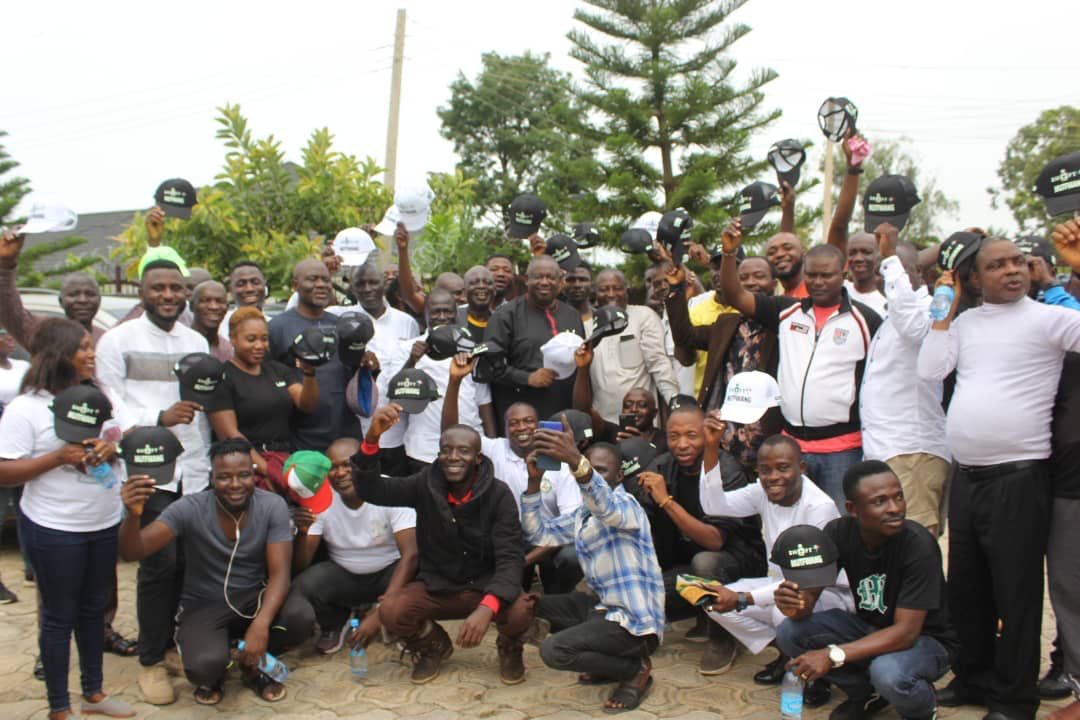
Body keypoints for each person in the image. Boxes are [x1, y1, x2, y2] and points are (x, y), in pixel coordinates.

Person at [917, 237, 1080, 720]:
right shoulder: (965, 324)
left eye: (1018, 262)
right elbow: (929, 369)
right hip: (968, 478)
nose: (1012, 271)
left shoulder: (1049, 320)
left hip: (1020, 477)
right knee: (968, 590)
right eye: (997, 265)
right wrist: (942, 312)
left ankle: (1013, 700)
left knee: (1017, 594)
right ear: (974, 278)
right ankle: (974, 680)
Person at [0, 319, 134, 720]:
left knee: (95, 611)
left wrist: (111, 450)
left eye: (92, 346)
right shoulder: (28, 408)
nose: (92, 354)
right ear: (59, 355)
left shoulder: (102, 395)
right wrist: (58, 457)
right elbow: (4, 470)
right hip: (54, 529)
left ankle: (93, 693)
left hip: (103, 521)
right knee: (59, 617)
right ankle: (59, 706)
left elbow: (123, 435)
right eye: (83, 347)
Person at [94, 258, 212, 704]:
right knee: (157, 566)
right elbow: (110, 404)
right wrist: (156, 419)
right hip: (149, 470)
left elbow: (205, 403)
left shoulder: (196, 340)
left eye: (176, 287)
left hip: (194, 469)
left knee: (186, 565)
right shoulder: (117, 340)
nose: (168, 295)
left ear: (185, 293)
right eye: (158, 287)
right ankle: (150, 660)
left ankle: (171, 645)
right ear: (143, 292)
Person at [118, 438, 314, 705]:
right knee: (204, 668)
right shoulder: (189, 508)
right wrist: (132, 515)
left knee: (300, 618)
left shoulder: (272, 506)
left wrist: (261, 625)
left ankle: (252, 664)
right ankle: (226, 660)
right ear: (212, 477)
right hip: (205, 605)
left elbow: (280, 574)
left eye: (244, 475)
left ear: (253, 474)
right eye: (224, 477)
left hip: (253, 600)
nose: (235, 484)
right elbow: (133, 552)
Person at [351, 404, 534, 685]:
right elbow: (372, 489)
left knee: (521, 609)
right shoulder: (425, 483)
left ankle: (509, 647)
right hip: (438, 586)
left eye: (463, 451)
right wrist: (372, 439)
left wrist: (488, 608)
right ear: (438, 454)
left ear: (477, 457)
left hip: (485, 586)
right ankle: (432, 646)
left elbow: (511, 558)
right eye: (446, 450)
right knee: (390, 610)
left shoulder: (499, 494)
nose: (453, 457)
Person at [719, 219, 882, 510]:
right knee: (793, 526)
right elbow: (735, 296)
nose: (818, 282)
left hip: (842, 450)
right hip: (791, 447)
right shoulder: (786, 311)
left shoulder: (866, 321)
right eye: (812, 275)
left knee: (838, 527)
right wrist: (729, 254)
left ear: (843, 273)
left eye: (827, 275)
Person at [778, 461, 958, 720]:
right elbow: (806, 604)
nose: (895, 508)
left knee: (889, 674)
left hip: (928, 640)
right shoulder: (838, 533)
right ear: (852, 509)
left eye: (898, 497)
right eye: (880, 501)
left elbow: (906, 633)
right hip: (871, 627)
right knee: (789, 632)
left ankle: (922, 708)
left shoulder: (918, 546)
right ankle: (866, 693)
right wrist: (792, 605)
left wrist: (832, 654)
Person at [698, 426, 849, 690]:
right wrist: (711, 450)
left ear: (801, 468)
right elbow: (714, 505)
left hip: (824, 595)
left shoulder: (819, 508)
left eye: (782, 468)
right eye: (765, 470)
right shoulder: (762, 491)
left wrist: (744, 598)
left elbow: (806, 585)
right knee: (712, 602)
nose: (773, 477)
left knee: (783, 613)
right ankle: (789, 655)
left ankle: (815, 674)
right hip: (778, 587)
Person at [523, 435, 664, 713]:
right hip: (602, 609)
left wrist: (577, 461)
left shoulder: (627, 505)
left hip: (632, 622)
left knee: (554, 651)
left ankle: (634, 670)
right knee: (526, 604)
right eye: (590, 468)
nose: (590, 474)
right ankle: (606, 663)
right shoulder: (582, 515)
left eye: (601, 470)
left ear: (620, 475)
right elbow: (539, 533)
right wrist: (534, 482)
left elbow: (605, 507)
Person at [635, 403, 767, 670]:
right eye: (674, 436)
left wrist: (666, 501)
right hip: (685, 562)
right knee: (641, 587)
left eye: (691, 435)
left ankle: (722, 638)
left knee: (706, 562)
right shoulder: (662, 466)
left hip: (735, 564)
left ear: (706, 435)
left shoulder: (726, 469)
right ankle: (696, 615)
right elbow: (641, 523)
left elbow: (715, 540)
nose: (682, 444)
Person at [442, 355, 584, 594]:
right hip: (508, 538)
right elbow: (450, 433)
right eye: (514, 423)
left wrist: (525, 561)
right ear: (505, 428)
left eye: (528, 421)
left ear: (538, 425)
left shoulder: (557, 459)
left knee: (571, 556)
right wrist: (455, 381)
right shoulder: (494, 449)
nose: (521, 428)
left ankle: (556, 599)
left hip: (550, 539)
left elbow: (571, 525)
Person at [857, 226, 949, 535]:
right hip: (889, 450)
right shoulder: (893, 316)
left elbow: (913, 327)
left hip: (913, 453)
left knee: (917, 543)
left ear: (919, 272)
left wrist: (889, 257)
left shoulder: (929, 310)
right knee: (896, 549)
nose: (883, 277)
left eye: (890, 267)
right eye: (880, 271)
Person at [292, 437, 418, 654]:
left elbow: (411, 554)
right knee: (305, 584)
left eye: (347, 465)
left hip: (389, 572)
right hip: (345, 575)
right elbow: (301, 564)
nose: (340, 473)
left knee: (417, 575)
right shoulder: (320, 499)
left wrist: (382, 612)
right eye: (333, 467)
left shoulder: (391, 489)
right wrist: (302, 534)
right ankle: (334, 623)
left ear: (363, 464)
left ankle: (397, 622)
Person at [664, 255, 780, 470]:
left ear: (774, 283)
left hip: (770, 435)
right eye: (743, 277)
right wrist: (677, 288)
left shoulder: (786, 323)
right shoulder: (726, 323)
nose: (751, 282)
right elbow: (684, 337)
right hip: (725, 433)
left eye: (759, 276)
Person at [206, 307, 320, 491]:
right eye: (251, 339)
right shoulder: (223, 377)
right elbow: (229, 434)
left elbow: (307, 405)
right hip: (247, 467)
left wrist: (309, 372)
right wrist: (267, 471)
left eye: (264, 339)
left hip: (285, 459)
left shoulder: (278, 370)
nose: (259, 346)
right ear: (233, 339)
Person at [387, 290, 495, 470]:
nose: (442, 317)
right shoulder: (407, 348)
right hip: (424, 451)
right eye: (436, 311)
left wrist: (491, 445)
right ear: (425, 314)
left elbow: (484, 401)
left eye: (447, 311)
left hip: (472, 447)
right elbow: (393, 394)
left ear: (457, 314)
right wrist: (412, 360)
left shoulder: (470, 348)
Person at [268, 259, 360, 452]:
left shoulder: (342, 325)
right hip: (300, 437)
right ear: (295, 285)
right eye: (312, 279)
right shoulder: (277, 328)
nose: (321, 285)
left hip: (344, 432)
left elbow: (354, 375)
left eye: (326, 280)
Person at [486, 255, 585, 428]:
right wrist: (527, 378)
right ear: (526, 280)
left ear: (560, 282)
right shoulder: (505, 316)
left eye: (551, 277)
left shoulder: (572, 315)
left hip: (566, 412)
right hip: (523, 416)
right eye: (538, 277)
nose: (545, 282)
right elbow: (489, 366)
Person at [348, 260, 420, 475]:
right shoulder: (344, 320)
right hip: (358, 433)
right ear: (352, 288)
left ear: (385, 284)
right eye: (360, 283)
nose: (367, 288)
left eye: (373, 282)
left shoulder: (406, 322)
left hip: (401, 435)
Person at [585, 269, 678, 423]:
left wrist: (674, 402)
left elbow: (659, 365)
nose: (611, 294)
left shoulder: (643, 316)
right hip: (602, 422)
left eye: (617, 288)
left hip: (642, 422)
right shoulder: (587, 327)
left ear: (626, 290)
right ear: (595, 292)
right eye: (604, 289)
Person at [0, 228, 104, 345]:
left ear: (99, 300)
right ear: (61, 301)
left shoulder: (108, 339)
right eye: (73, 294)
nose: (82, 300)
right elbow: (12, 314)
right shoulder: (46, 335)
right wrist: (6, 263)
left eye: (90, 294)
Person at [572, 342, 667, 452]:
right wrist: (583, 369)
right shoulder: (613, 433)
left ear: (654, 413)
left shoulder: (664, 439)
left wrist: (640, 445)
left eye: (642, 405)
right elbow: (583, 411)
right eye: (628, 405)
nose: (634, 409)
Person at [0, 326, 31, 597]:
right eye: (2, 334)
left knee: (26, 508)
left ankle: (31, 565)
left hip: (23, 447)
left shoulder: (22, 366)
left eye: (10, 334)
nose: (9, 338)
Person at [190, 280, 232, 362]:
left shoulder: (228, 349)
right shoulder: (180, 344)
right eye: (206, 300)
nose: (213, 307)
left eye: (220, 301)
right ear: (191, 306)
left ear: (227, 307)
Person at [457, 265, 496, 339]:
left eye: (487, 282)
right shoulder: (453, 319)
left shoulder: (502, 321)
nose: (481, 286)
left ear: (494, 290)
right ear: (464, 292)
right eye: (474, 282)